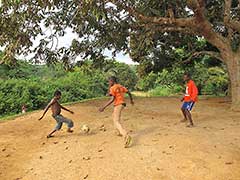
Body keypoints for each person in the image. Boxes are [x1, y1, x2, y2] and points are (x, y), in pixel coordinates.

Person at [99, 76, 134, 148]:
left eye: (109, 81)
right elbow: (129, 92)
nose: (109, 83)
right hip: (122, 104)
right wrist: (131, 100)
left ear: (112, 81)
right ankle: (118, 132)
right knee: (114, 117)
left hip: (118, 104)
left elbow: (112, 99)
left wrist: (103, 107)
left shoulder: (113, 88)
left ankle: (125, 135)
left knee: (116, 121)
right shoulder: (120, 86)